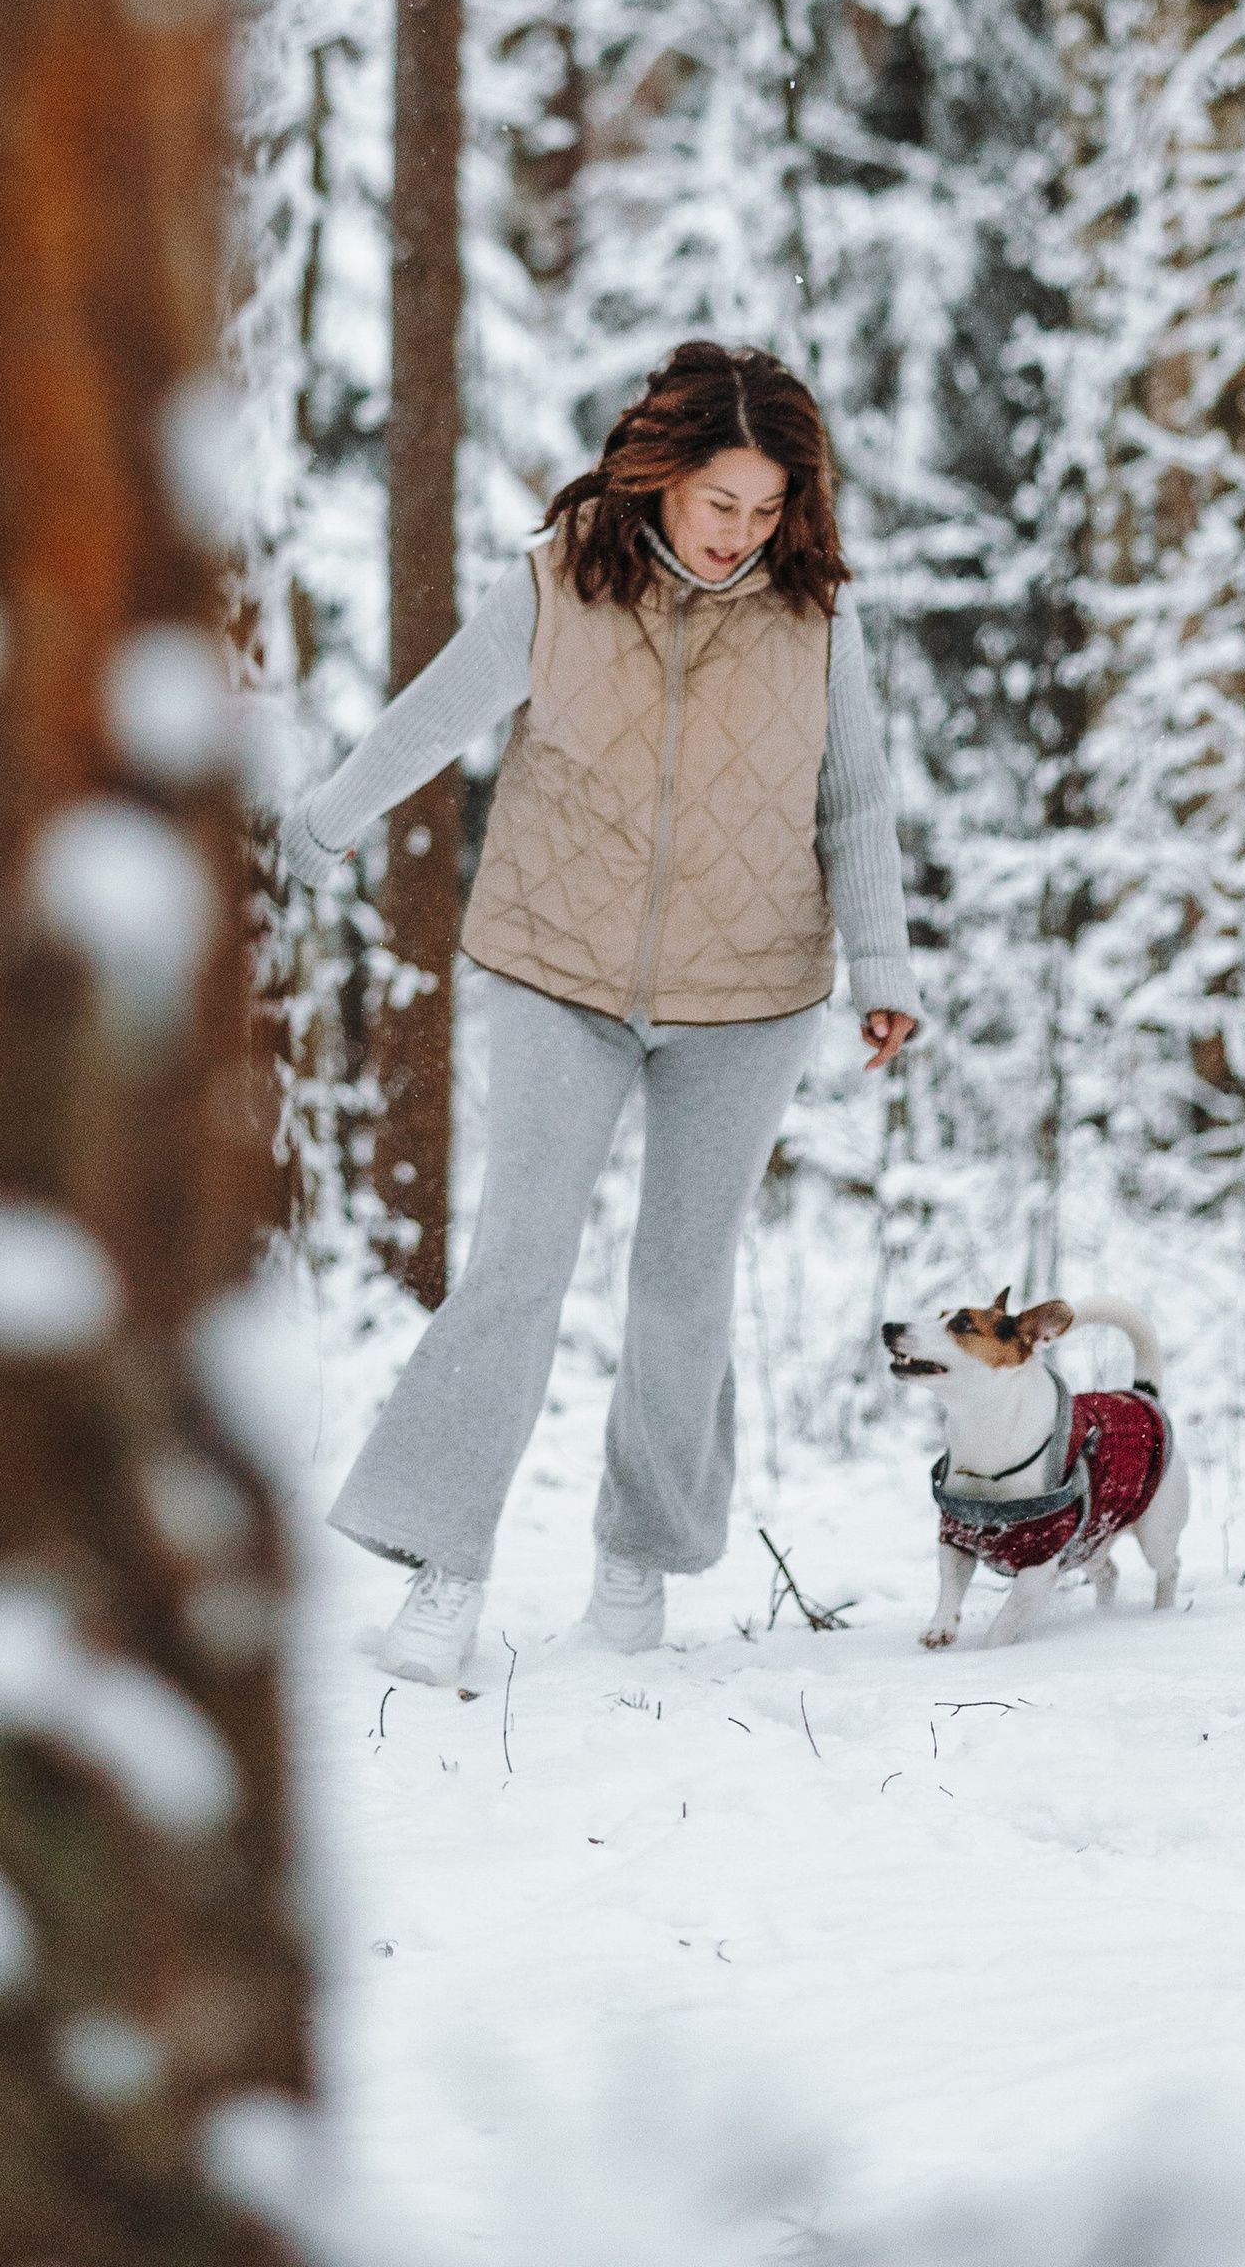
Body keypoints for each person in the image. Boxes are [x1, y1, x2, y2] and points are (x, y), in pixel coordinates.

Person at [281, 338, 918, 1685]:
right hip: (556, 969)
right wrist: (318, 827)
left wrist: (885, 972)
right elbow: (431, 716)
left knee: (681, 1289)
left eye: (767, 510)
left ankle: (637, 1573)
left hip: (749, 995)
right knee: (517, 1263)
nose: (744, 535)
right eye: (719, 504)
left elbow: (854, 797)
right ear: (659, 479)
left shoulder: (816, 615)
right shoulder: (563, 581)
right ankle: (445, 1573)